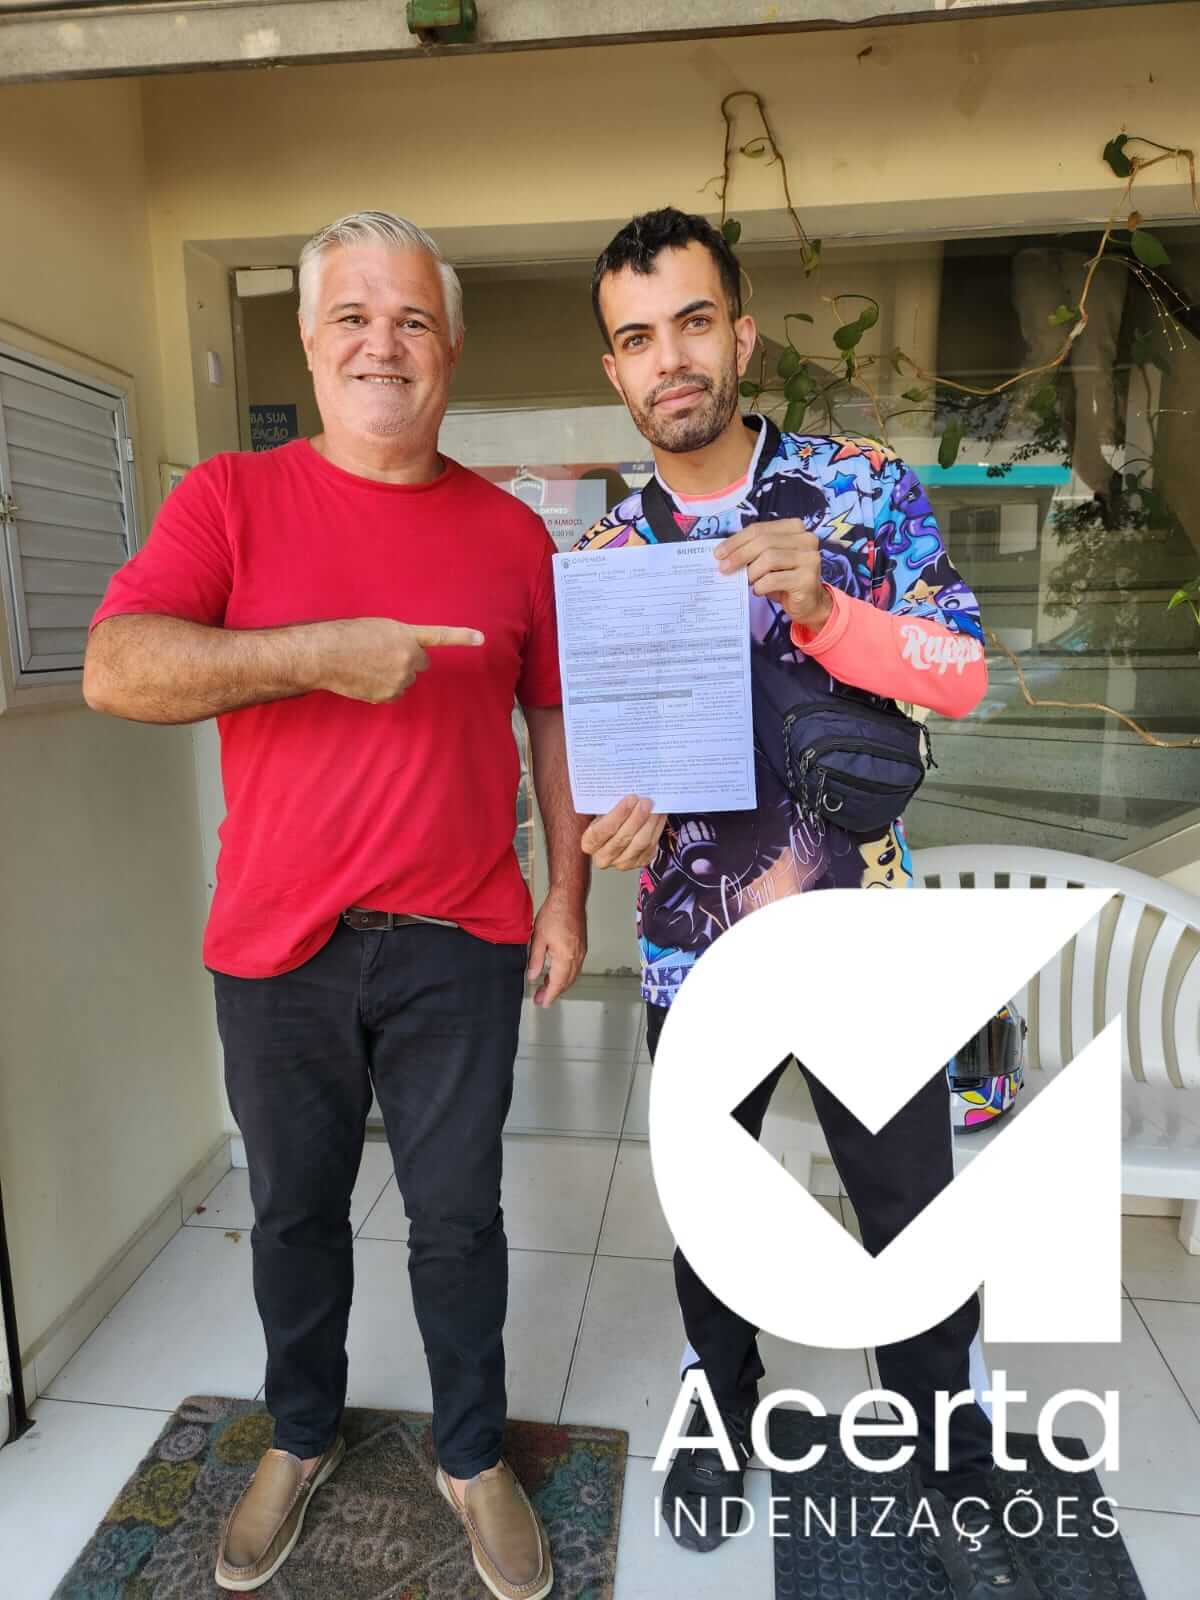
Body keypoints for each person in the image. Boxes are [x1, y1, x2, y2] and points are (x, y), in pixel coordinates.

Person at [83, 210, 586, 1600]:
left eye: (413, 319)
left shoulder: (511, 533)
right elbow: (117, 668)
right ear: (311, 341)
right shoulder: (230, 501)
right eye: (354, 316)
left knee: (460, 1221)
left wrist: (568, 895)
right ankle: (299, 1435)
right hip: (277, 945)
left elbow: (552, 724)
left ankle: (471, 1455)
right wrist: (315, 654)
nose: (384, 343)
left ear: (451, 350)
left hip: (461, 940)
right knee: (295, 1217)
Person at [577, 207, 1039, 1600]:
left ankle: (947, 1429)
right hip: (689, 952)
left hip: (863, 939)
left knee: (910, 1204)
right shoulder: (608, 556)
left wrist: (834, 612)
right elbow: (610, 771)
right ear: (615, 369)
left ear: (740, 334)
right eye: (637, 338)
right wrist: (613, 829)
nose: (670, 359)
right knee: (715, 1211)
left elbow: (963, 675)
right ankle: (721, 1407)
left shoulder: (857, 488)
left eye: (692, 323)